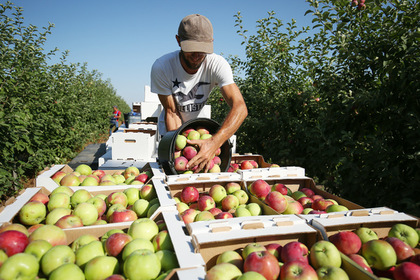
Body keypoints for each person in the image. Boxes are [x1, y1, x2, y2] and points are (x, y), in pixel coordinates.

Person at [150, 14, 248, 173]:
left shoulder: (217, 65)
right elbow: (172, 112)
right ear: (178, 41)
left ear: (211, 43)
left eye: (202, 50)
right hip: (172, 132)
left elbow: (240, 107)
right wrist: (179, 151)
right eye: (191, 49)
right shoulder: (162, 67)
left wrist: (214, 143)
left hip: (199, 130)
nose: (196, 56)